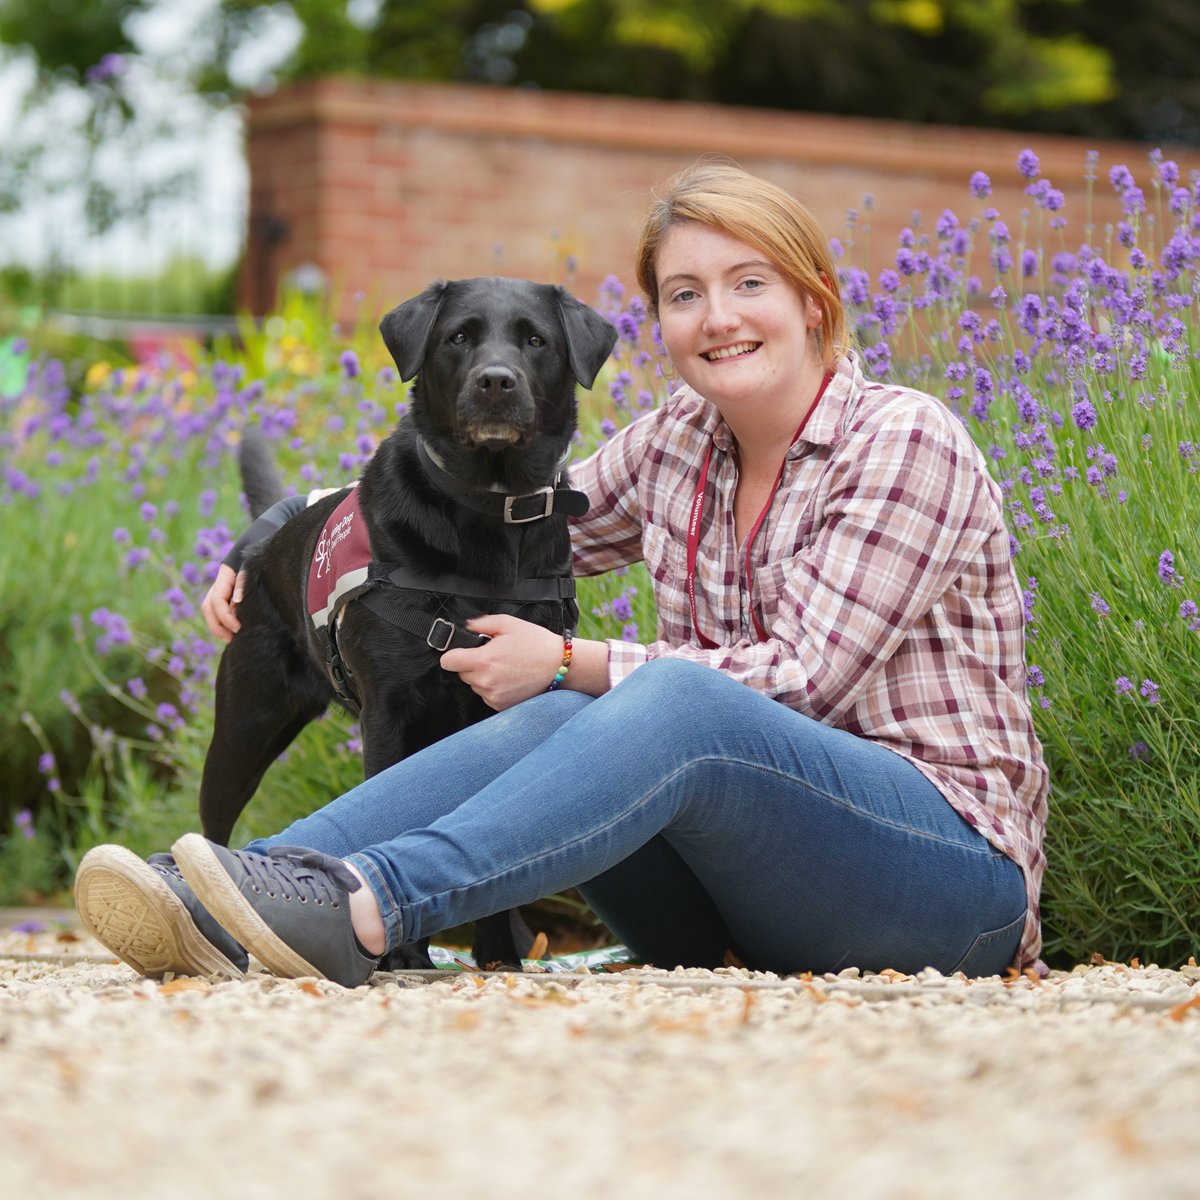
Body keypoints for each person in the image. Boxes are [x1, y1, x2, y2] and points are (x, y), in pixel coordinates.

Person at [75, 161, 1049, 987]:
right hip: (727, 910)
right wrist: (283, 535)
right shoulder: (677, 447)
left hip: (942, 890)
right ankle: (240, 889)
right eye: (684, 294)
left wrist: (570, 658)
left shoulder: (904, 440)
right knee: (567, 712)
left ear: (813, 300)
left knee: (654, 696)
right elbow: (473, 511)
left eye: (749, 283)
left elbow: (804, 682)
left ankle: (365, 908)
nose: (718, 316)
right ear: (660, 321)